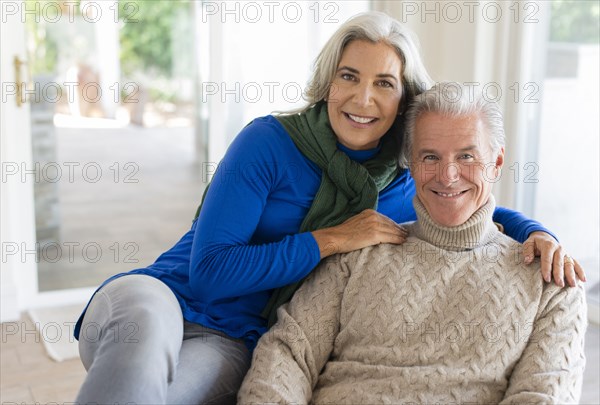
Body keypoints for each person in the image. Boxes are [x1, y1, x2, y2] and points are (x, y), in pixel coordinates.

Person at [74, 12, 585, 405]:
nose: (363, 98)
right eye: (349, 76)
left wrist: (539, 232)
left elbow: (466, 198)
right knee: (139, 343)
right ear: (328, 82)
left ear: (404, 98)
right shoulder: (269, 142)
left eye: (384, 83)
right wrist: (332, 238)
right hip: (165, 295)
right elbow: (207, 274)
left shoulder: (406, 176)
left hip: (237, 338)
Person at [237, 82, 588, 404]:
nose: (448, 176)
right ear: (412, 166)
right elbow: (287, 353)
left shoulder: (551, 284)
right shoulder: (359, 253)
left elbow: (542, 396)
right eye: (431, 157)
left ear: (496, 163)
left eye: (466, 156)